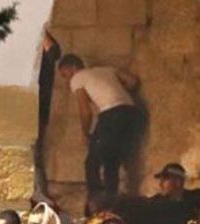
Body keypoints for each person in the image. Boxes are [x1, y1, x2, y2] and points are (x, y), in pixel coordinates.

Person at [56, 54, 142, 199]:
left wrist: (85, 133)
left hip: (112, 114)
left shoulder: (78, 78)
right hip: (132, 114)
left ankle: (96, 203)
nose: (67, 80)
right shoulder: (106, 70)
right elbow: (133, 82)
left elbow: (85, 110)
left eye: (66, 75)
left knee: (92, 162)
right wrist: (117, 92)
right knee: (111, 160)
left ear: (72, 68)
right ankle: (111, 202)